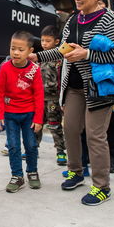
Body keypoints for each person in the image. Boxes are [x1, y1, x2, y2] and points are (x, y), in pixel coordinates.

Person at [31, 0, 114, 206]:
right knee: (71, 129)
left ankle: (101, 186)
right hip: (73, 85)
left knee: (95, 136)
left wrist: (87, 53)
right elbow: (63, 50)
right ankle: (75, 172)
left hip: (99, 87)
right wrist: (37, 56)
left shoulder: (109, 19)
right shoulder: (74, 19)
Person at [0, 31, 43, 193]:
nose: (15, 52)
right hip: (10, 115)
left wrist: (38, 118)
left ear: (30, 51)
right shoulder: (5, 68)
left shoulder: (34, 70)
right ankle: (17, 175)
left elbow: (39, 95)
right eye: (13, 48)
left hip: (29, 114)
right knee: (13, 146)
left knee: (31, 145)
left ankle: (32, 171)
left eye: (21, 50)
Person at [39, 25, 67, 166]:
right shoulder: (39, 58)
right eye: (42, 40)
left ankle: (61, 151)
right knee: (36, 125)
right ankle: (33, 148)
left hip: (53, 100)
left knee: (55, 125)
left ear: (56, 42)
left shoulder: (60, 59)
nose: (44, 43)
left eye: (47, 41)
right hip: (38, 99)